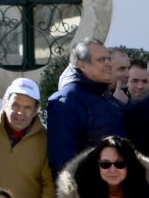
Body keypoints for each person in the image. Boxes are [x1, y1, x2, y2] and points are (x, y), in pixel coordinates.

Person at [46, 38, 127, 177]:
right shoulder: (67, 101)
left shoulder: (105, 96)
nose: (109, 64)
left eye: (109, 59)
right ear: (82, 65)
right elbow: (62, 162)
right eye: (101, 60)